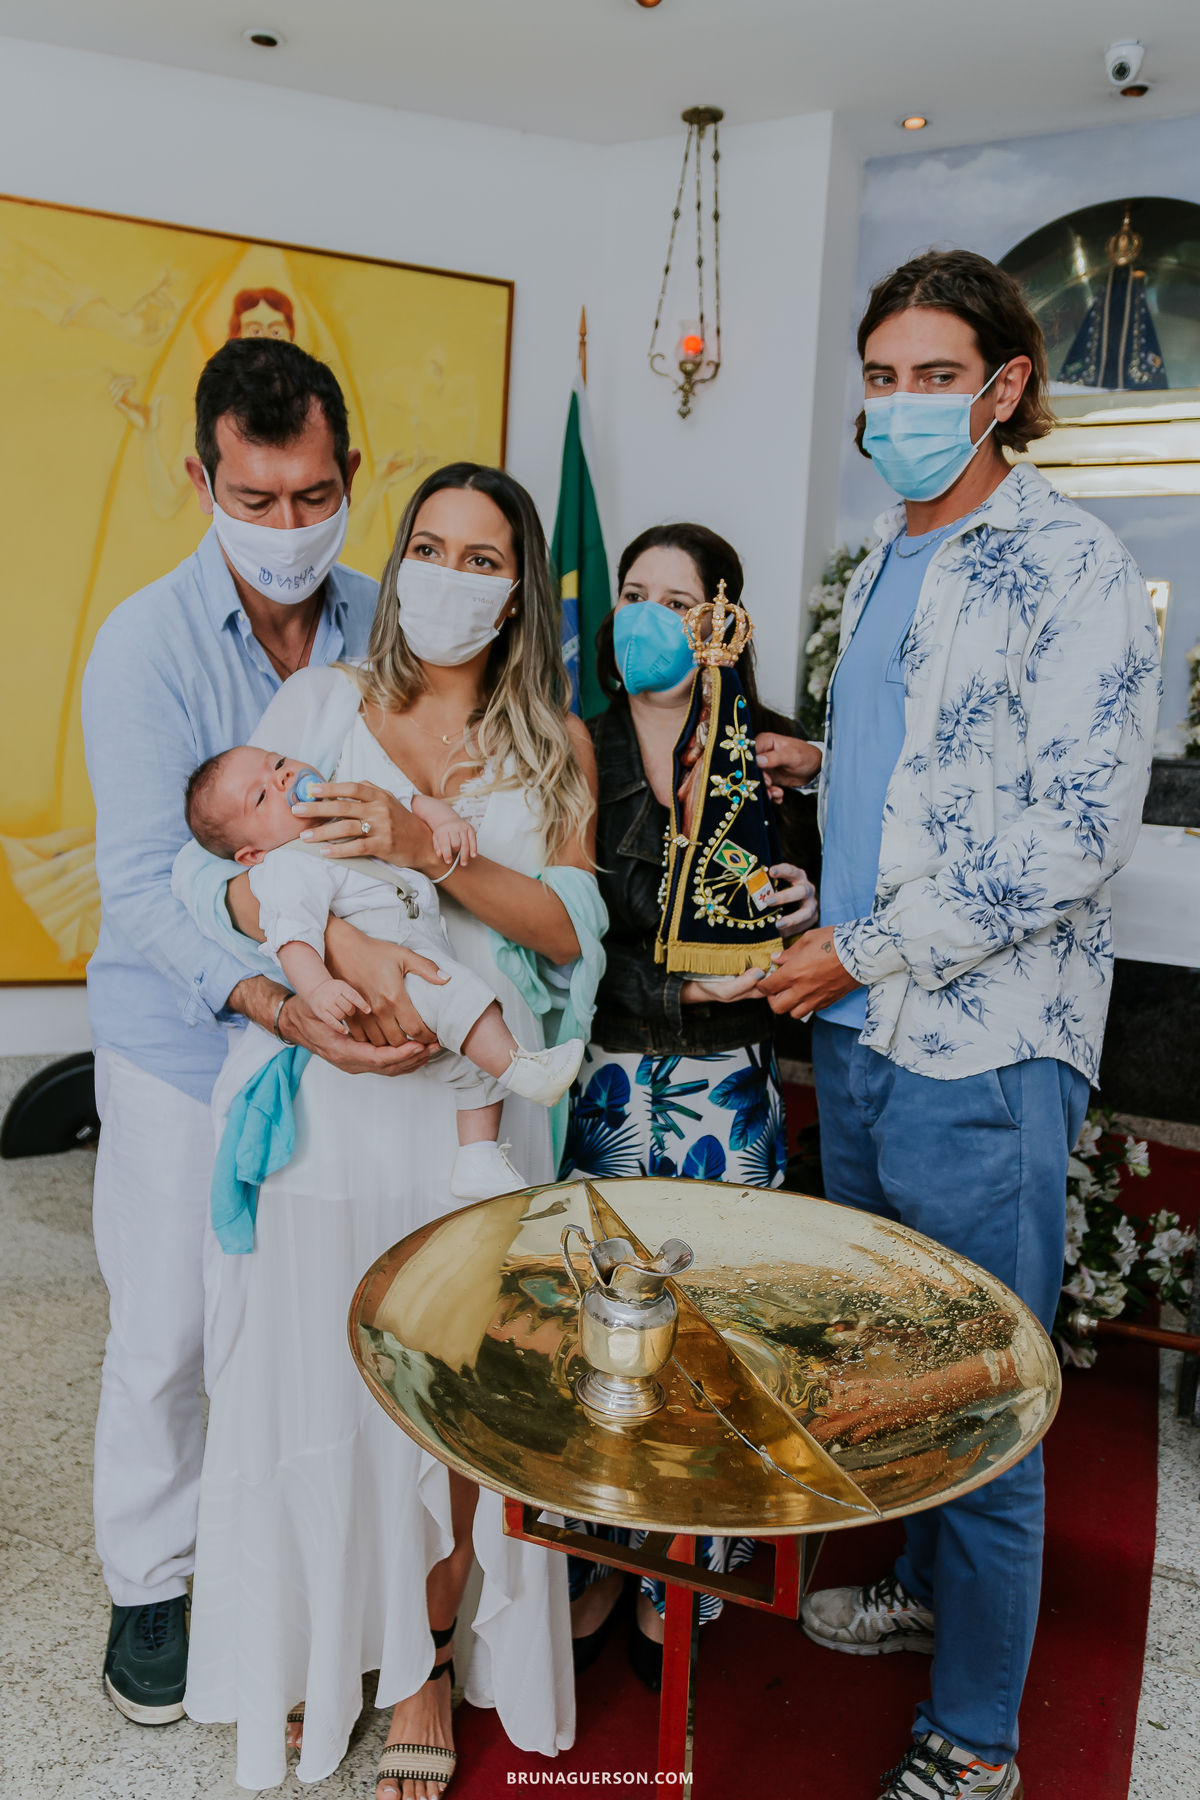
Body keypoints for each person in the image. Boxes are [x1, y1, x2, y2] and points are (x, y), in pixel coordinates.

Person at [759, 250, 1161, 1800]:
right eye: (881, 377)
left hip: (982, 1046)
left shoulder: (1070, 564)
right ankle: (925, 1590)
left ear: (1003, 387)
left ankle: (977, 1738)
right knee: (903, 1359)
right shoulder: (882, 561)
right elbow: (929, 771)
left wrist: (862, 951)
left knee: (987, 1382)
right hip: (862, 1035)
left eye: (937, 377)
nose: (902, 405)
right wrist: (823, 768)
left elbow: (1072, 833)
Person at [173, 463, 601, 1796]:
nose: (450, 576)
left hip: (473, 1122)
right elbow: (210, 879)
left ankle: (420, 1657)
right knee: (327, 1380)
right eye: (429, 545)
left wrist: (433, 848)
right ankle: (328, 1642)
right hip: (336, 1114)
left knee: (453, 1396)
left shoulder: (557, 743)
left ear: (522, 586)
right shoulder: (319, 707)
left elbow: (574, 941)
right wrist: (317, 973)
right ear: (398, 559)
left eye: (484, 558)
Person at [81, 337, 445, 1727]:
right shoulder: (145, 648)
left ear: (352, 477)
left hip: (359, 1035)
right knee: (170, 1328)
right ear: (202, 479)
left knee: (318, 1332)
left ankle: (327, 1580)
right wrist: (281, 998)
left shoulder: (389, 628)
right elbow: (138, 899)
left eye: (310, 498)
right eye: (256, 498)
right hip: (188, 1043)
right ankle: (152, 1579)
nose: (286, 530)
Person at [561, 522, 820, 1686]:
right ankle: (594, 1552)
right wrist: (670, 975)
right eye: (631, 592)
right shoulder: (579, 746)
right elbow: (562, 936)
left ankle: (686, 1557)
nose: (648, 614)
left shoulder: (760, 757)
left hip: (729, 1089)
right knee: (607, 1326)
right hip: (609, 1081)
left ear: (725, 621)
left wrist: (798, 904)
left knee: (711, 1332)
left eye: (677, 596)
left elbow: (796, 913)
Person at [183, 740, 584, 1195]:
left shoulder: (347, 800)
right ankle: (527, 1070)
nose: (281, 779)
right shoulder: (286, 865)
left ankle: (477, 1157)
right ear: (252, 854)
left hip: (422, 939)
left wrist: (446, 821)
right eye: (260, 797)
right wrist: (317, 990)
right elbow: (292, 938)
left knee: (472, 1073)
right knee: (464, 995)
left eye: (278, 764)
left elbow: (409, 803)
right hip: (388, 959)